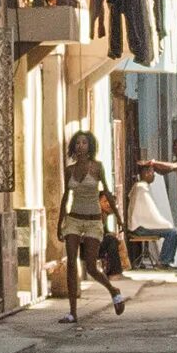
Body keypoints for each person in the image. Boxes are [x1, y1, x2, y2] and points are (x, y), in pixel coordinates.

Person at [57, 128, 127, 324]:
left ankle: (114, 291)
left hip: (93, 221)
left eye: (84, 143)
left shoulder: (97, 167)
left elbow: (107, 192)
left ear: (90, 146)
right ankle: (72, 312)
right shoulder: (69, 169)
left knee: (90, 266)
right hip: (73, 219)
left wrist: (119, 218)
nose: (80, 146)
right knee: (71, 263)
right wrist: (59, 222)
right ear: (74, 147)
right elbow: (65, 197)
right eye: (77, 143)